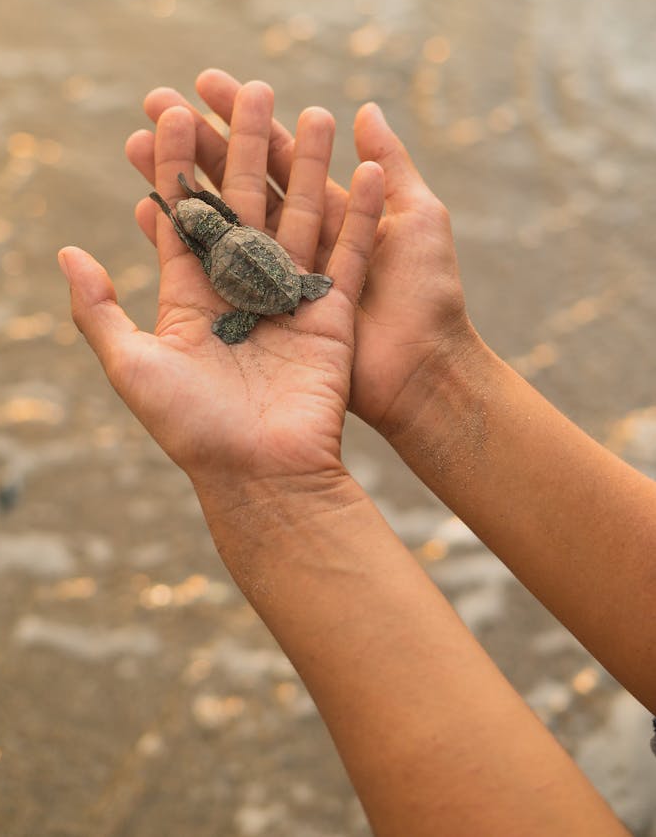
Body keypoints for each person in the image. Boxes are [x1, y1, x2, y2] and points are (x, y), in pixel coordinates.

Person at [58, 68, 655, 836]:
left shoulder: (214, 251)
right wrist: (433, 372)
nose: (192, 222)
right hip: (278, 274)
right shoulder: (249, 251)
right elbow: (209, 223)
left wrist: (271, 490)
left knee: (209, 229)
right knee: (220, 230)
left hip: (257, 274)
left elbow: (204, 234)